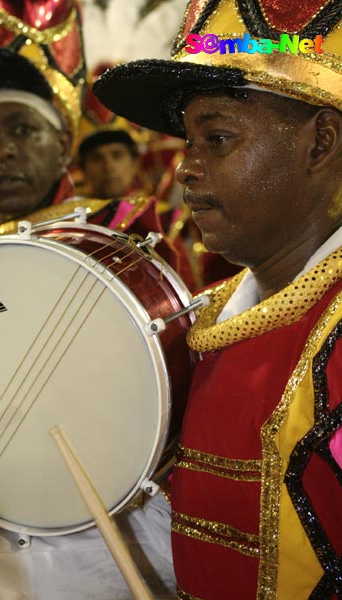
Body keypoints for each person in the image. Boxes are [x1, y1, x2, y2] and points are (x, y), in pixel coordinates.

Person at [93, 0, 342, 598]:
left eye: (217, 138)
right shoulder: (200, 319)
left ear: (321, 143)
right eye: (189, 141)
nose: (185, 169)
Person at [0, 48, 179, 600]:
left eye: (21, 129)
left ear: (64, 144)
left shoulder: (121, 241)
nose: (0, 151)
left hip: (104, 552)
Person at [77, 128, 140, 199]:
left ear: (135, 164)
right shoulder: (74, 209)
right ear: (84, 170)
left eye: (117, 155)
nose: (109, 167)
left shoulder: (152, 208)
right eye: (97, 158)